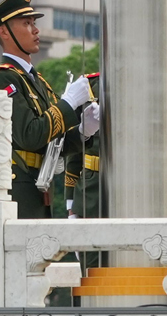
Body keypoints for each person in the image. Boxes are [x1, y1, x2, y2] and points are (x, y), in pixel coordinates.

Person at [0, 0, 100, 218]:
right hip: (18, 190)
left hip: (40, 185)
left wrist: (84, 131)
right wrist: (67, 102)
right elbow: (30, 135)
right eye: (26, 23)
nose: (35, 30)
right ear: (4, 32)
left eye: (34, 23)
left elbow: (54, 144)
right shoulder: (4, 78)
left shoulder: (37, 82)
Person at [65, 73, 102, 272]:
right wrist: (71, 205)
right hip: (91, 189)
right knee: (92, 269)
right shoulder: (89, 85)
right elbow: (74, 153)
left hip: (136, 188)